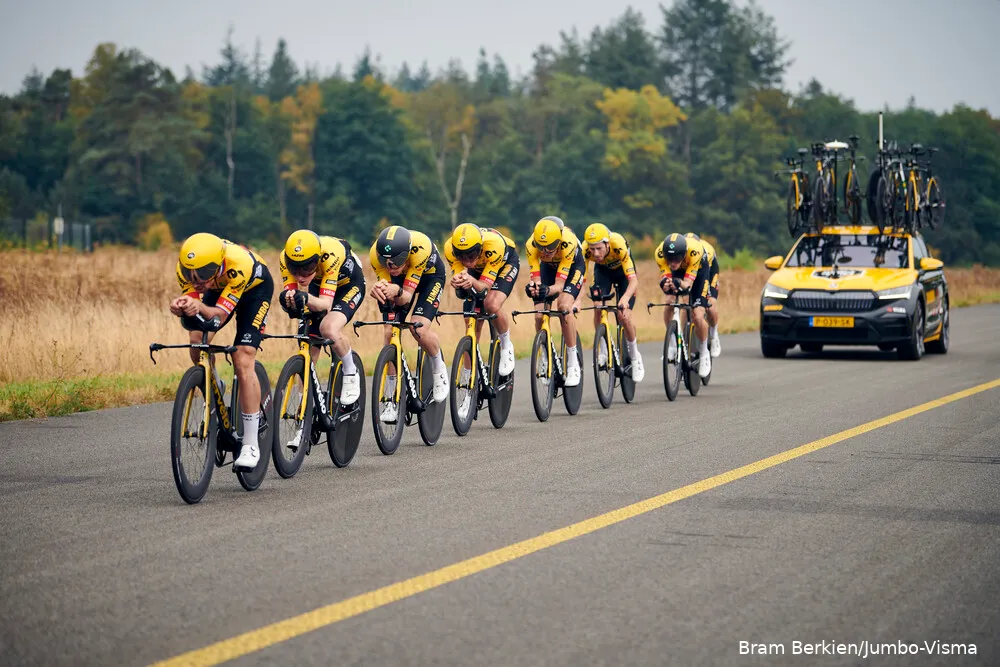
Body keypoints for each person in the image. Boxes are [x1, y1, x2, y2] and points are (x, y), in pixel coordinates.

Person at [169, 233, 273, 470]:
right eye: (190, 275)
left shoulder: (239, 264)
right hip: (219, 289)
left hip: (254, 291)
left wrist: (201, 306)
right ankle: (213, 381)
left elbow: (220, 315)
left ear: (218, 264)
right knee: (196, 341)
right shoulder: (189, 270)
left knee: (243, 356)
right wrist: (181, 306)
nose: (195, 281)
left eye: (203, 274)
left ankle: (250, 443)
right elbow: (195, 306)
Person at [277, 230, 366, 450]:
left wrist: (304, 297)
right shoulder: (283, 260)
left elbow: (326, 304)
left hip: (348, 285)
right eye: (295, 269)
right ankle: (304, 422)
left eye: (307, 267)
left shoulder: (331, 254)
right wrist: (289, 301)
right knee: (307, 344)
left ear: (318, 259)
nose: (300, 275)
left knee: (329, 328)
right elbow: (295, 298)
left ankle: (350, 371)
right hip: (320, 287)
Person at [369, 225, 449, 422]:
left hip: (430, 277)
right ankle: (391, 397)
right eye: (385, 262)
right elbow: (388, 285)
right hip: (401, 280)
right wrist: (380, 289)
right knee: (389, 332)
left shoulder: (419, 250)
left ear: (406, 254)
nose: (390, 266)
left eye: (396, 261)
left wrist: (394, 290)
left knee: (418, 327)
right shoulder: (375, 256)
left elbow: (404, 297)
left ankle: (439, 367)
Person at [443, 223, 519, 377]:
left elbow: (485, 288)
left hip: (504, 264)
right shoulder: (449, 249)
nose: (466, 261)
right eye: (461, 256)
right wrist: (459, 280)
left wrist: (471, 280)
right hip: (478, 270)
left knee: (491, 304)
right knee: (471, 319)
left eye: (471, 255)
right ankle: (468, 374)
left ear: (480, 248)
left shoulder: (494, 246)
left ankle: (506, 346)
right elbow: (461, 273)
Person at [524, 215, 584, 387]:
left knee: (564, 306)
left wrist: (547, 290)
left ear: (558, 241)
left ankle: (573, 362)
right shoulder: (531, 246)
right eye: (541, 248)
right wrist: (533, 288)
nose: (544, 252)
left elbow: (559, 285)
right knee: (538, 315)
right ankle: (544, 356)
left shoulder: (568, 243)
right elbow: (535, 278)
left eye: (549, 248)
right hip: (548, 268)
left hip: (573, 268)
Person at [581, 223, 644, 382]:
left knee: (624, 317)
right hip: (603, 273)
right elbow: (581, 281)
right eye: (592, 249)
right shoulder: (585, 250)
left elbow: (634, 281)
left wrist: (624, 298)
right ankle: (603, 348)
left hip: (623, 275)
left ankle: (635, 357)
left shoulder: (619, 245)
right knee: (598, 306)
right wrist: (577, 300)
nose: (595, 253)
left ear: (607, 244)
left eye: (599, 249)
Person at [654, 232, 712, 378]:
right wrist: (666, 284)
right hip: (678, 273)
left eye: (677, 258)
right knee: (669, 302)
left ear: (684, 253)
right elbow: (666, 278)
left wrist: (681, 284)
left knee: (698, 315)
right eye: (670, 259)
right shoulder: (659, 253)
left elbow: (687, 285)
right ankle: (672, 343)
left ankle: (704, 352)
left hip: (698, 272)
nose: (673, 262)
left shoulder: (695, 250)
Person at [686, 232, 722, 358]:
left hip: (709, 271)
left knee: (710, 304)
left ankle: (714, 334)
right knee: (685, 302)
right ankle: (684, 340)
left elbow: (704, 278)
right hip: (691, 269)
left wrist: (705, 295)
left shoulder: (706, 249)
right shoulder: (686, 252)